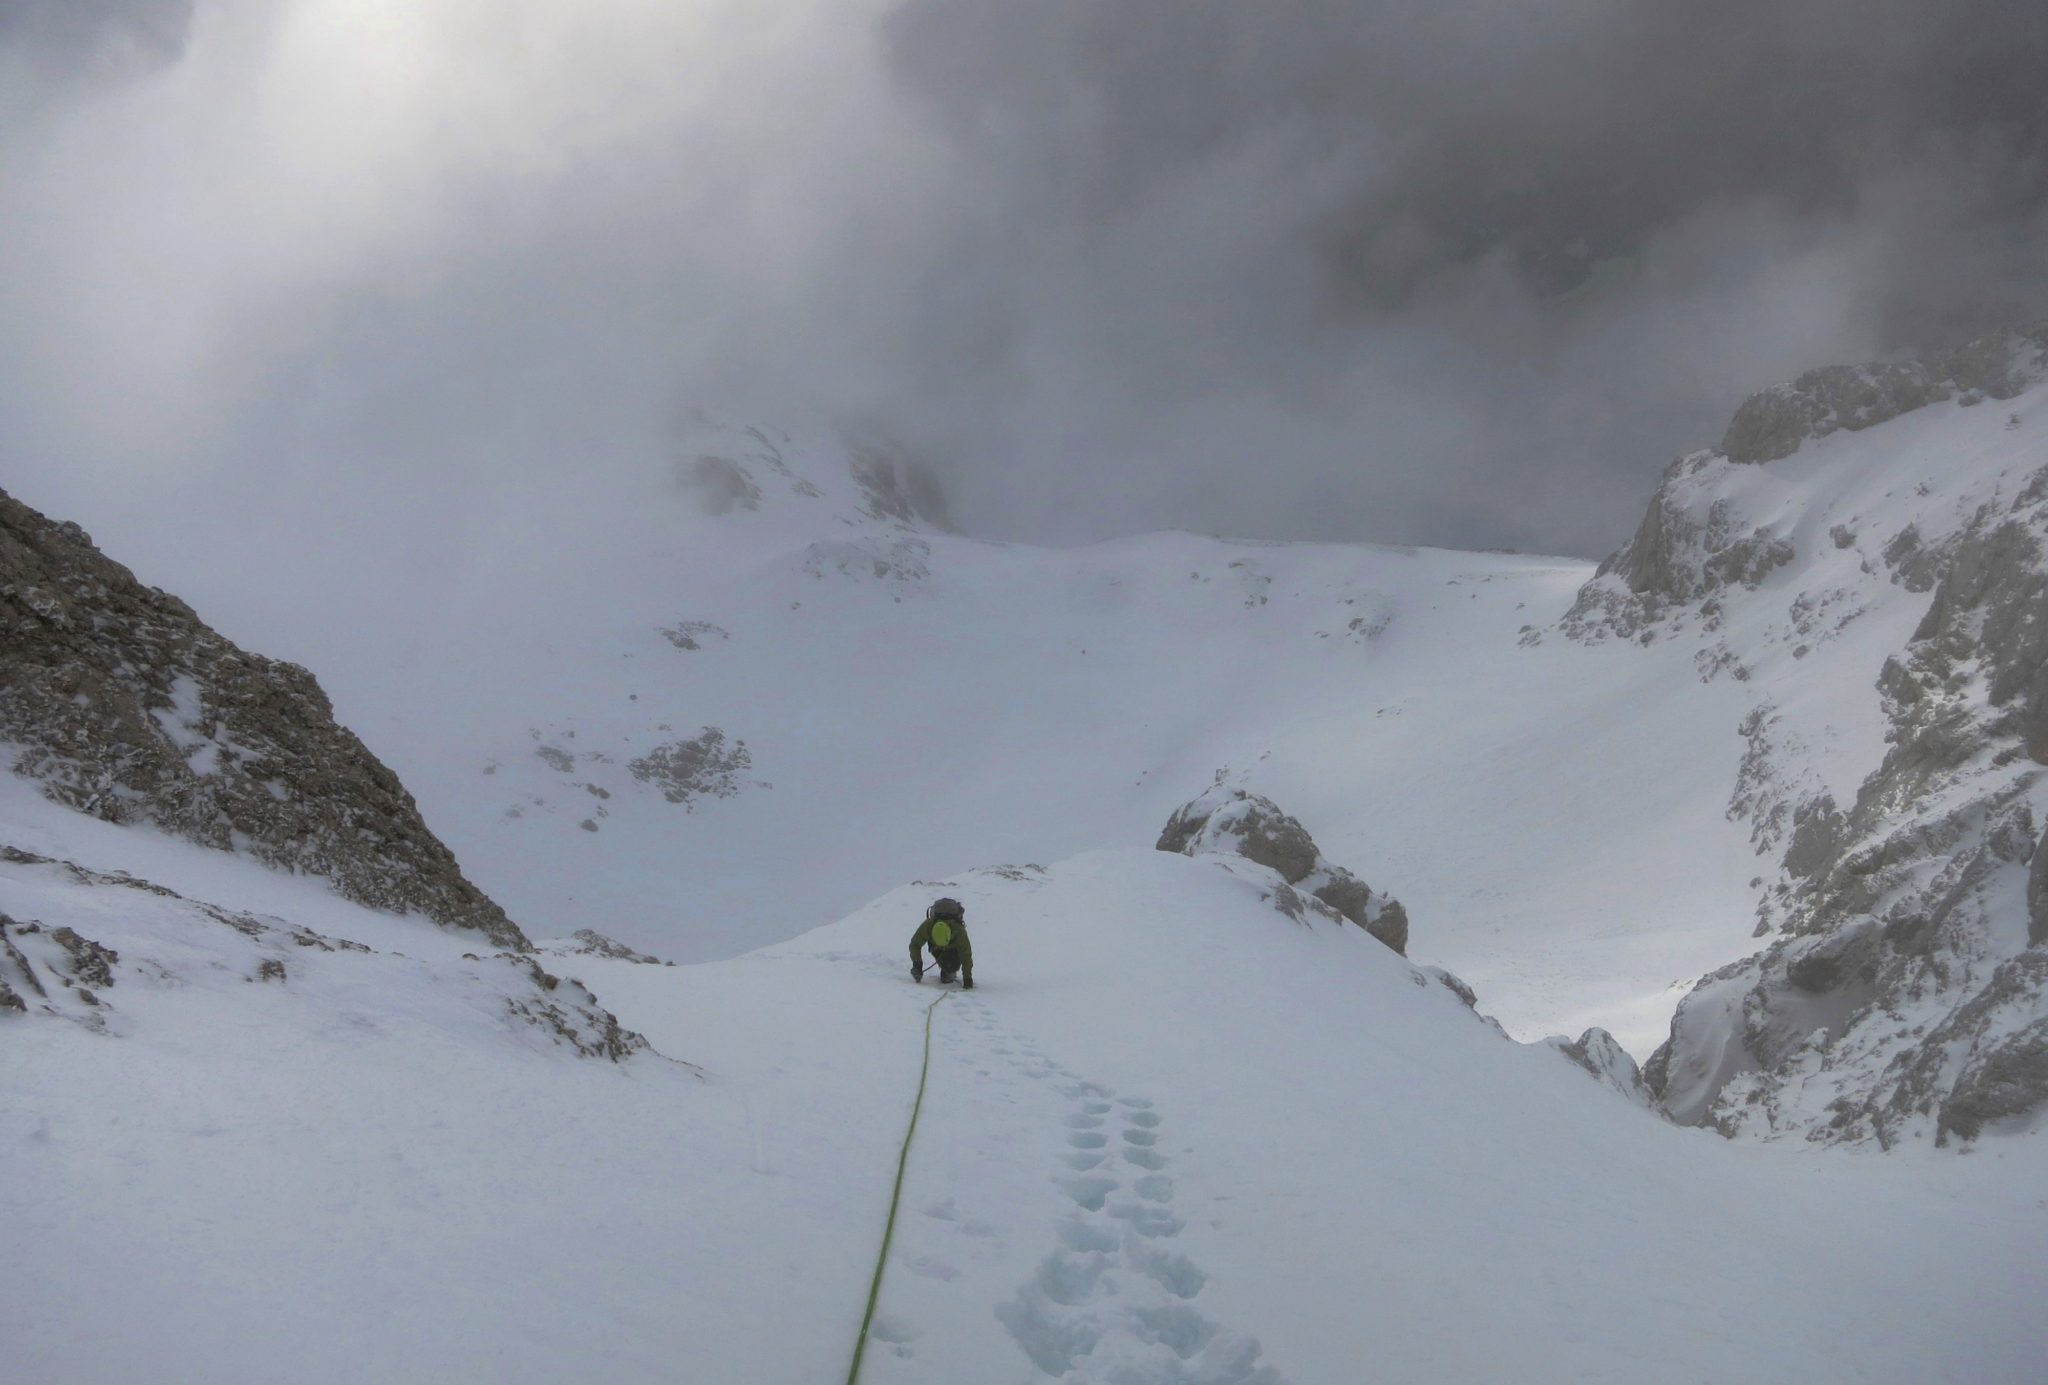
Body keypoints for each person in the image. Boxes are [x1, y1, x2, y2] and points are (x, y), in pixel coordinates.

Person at [910, 897, 974, 988]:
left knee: (951, 967)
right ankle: (945, 966)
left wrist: (967, 978)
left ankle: (949, 970)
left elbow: (966, 955)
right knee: (945, 966)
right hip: (935, 948)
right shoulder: (927, 926)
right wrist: (917, 964)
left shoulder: (959, 931)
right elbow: (915, 944)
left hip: (953, 950)